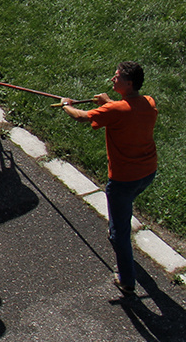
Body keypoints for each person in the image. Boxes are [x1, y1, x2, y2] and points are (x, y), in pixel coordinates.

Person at [61, 61, 158, 296]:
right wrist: (109, 103)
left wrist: (66, 105)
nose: (112, 80)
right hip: (147, 172)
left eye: (117, 77)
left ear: (128, 83)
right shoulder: (149, 102)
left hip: (124, 179)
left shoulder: (115, 111)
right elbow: (127, 110)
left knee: (121, 231)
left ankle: (126, 280)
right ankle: (116, 229)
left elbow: (82, 117)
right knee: (122, 212)